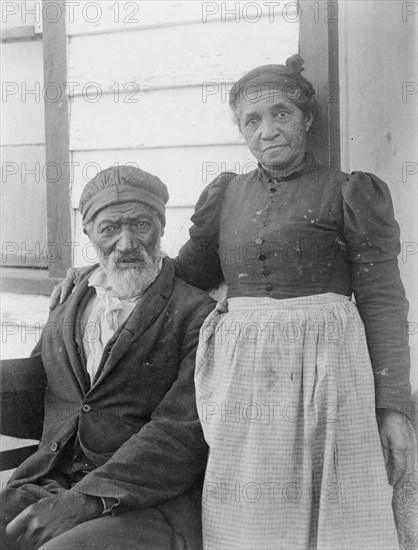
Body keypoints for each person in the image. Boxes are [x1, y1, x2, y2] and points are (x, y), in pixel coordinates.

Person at [51, 56, 416, 549]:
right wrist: (95, 272)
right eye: (253, 120)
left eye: (281, 114)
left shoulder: (348, 192)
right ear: (242, 130)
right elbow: (184, 272)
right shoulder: (226, 196)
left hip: (329, 369)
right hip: (246, 373)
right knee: (250, 509)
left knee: (332, 505)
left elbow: (383, 300)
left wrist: (391, 406)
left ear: (306, 118)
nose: (268, 130)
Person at [0, 166, 215, 550]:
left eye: (141, 225)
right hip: (50, 480)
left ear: (162, 228)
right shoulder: (74, 298)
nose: (127, 242)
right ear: (89, 235)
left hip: (142, 501)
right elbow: (44, 388)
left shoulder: (196, 314)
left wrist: (84, 500)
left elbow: (181, 432)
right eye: (110, 229)